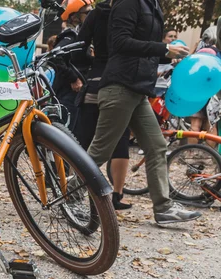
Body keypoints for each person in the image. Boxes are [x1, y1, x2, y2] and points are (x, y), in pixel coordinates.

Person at [86, 0, 201, 225]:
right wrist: (164, 48)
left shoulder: (152, 5)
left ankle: (163, 208)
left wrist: (169, 56)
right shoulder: (128, 2)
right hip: (119, 87)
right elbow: (120, 43)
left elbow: (143, 49)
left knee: (157, 146)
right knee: (99, 152)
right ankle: (68, 194)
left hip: (138, 90)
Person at [73, 0, 132, 210]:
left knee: (86, 143)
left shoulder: (98, 13)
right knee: (120, 139)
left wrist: (93, 60)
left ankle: (75, 192)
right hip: (124, 83)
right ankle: (117, 194)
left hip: (98, 82)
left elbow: (78, 49)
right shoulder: (134, 11)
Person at [50, 0, 93, 132]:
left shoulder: (80, 35)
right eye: (88, 12)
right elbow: (55, 56)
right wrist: (73, 78)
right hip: (67, 93)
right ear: (74, 17)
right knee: (64, 134)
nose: (91, 15)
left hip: (75, 93)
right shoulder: (70, 36)